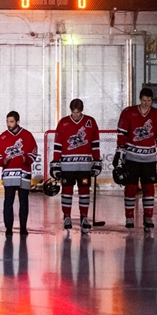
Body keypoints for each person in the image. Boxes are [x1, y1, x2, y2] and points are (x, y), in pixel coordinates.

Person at [115, 87, 157, 231]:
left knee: (148, 187)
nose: (146, 103)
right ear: (140, 99)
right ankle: (129, 216)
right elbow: (122, 133)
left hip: (149, 157)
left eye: (149, 100)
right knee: (131, 187)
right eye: (144, 100)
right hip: (131, 156)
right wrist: (120, 150)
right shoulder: (128, 112)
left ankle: (148, 216)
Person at [52, 99, 102, 232]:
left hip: (84, 166)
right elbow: (58, 145)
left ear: (82, 111)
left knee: (84, 192)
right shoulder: (63, 122)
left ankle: (84, 217)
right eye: (74, 113)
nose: (76, 115)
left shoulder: (90, 122)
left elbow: (95, 143)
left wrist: (97, 161)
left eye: (78, 113)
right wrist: (55, 163)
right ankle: (67, 217)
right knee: (67, 191)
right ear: (70, 111)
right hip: (67, 165)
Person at [0, 111, 37, 235]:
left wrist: (26, 159)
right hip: (9, 175)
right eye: (7, 121)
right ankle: (8, 228)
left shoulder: (27, 135)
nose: (9, 124)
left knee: (24, 201)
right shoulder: (2, 137)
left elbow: (33, 153)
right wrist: (3, 161)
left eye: (11, 122)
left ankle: (23, 227)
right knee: (8, 201)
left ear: (18, 122)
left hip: (24, 174)